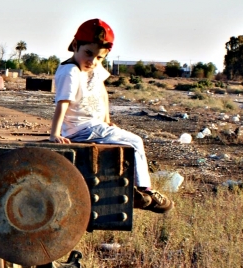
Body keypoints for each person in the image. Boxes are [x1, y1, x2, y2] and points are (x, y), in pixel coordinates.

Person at [49, 19, 173, 213]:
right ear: (75, 45)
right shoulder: (71, 72)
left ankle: (137, 189)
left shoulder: (93, 68)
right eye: (88, 54)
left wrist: (106, 119)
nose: (92, 61)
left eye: (99, 57)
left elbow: (102, 91)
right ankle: (144, 190)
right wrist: (55, 133)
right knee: (135, 141)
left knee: (125, 141)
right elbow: (62, 102)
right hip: (81, 129)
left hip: (95, 126)